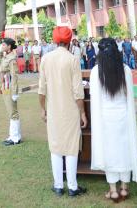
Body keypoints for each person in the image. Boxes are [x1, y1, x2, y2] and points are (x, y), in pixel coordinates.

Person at [90, 38, 137, 202]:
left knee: (110, 151)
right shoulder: (125, 70)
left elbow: (94, 98)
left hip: (105, 117)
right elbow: (129, 96)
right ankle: (124, 188)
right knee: (124, 150)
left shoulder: (96, 71)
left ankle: (113, 191)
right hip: (123, 115)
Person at [38, 26, 87, 198]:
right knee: (72, 147)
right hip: (71, 110)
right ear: (69, 41)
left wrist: (42, 109)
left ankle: (58, 185)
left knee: (55, 146)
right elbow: (78, 91)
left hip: (53, 109)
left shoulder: (45, 59)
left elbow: (41, 90)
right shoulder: (73, 59)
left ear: (54, 40)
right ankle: (72, 186)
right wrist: (82, 113)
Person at [0, 38, 21, 146]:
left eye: (4, 45)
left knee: (13, 112)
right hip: (5, 87)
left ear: (9, 46)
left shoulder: (12, 59)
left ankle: (15, 138)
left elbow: (14, 76)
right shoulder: (6, 56)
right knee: (10, 112)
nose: (2, 46)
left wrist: (15, 92)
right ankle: (13, 135)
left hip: (10, 88)